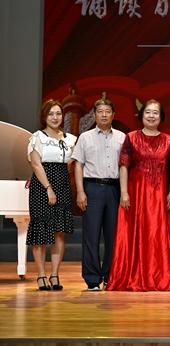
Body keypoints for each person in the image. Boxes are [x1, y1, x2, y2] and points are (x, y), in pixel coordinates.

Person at [107, 99, 170, 291]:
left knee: (157, 234)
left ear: (161, 117)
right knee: (135, 234)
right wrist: (124, 192)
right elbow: (124, 166)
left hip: (159, 196)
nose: (151, 116)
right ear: (141, 115)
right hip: (136, 195)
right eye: (148, 112)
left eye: (155, 112)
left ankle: (159, 278)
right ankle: (134, 277)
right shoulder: (131, 138)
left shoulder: (169, 140)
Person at [73, 99, 125, 291]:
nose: (104, 114)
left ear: (113, 115)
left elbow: (125, 166)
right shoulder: (85, 137)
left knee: (113, 236)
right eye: (100, 111)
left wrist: (125, 192)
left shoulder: (121, 137)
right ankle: (93, 279)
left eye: (108, 111)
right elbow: (78, 165)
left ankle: (111, 276)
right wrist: (80, 191)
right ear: (94, 115)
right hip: (92, 188)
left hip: (114, 189)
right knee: (91, 236)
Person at [26, 99, 77, 291]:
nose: (55, 117)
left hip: (63, 184)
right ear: (44, 116)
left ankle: (54, 274)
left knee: (59, 232)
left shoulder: (70, 139)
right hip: (42, 186)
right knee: (40, 231)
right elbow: (35, 164)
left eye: (58, 113)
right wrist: (48, 188)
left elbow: (72, 164)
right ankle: (41, 275)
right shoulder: (37, 137)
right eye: (51, 114)